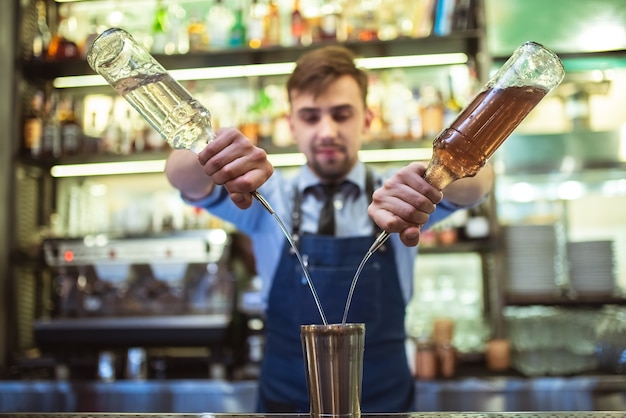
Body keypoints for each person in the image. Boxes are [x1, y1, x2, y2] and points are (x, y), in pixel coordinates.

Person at [165, 45, 494, 413]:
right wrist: (211, 153)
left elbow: (478, 185)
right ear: (291, 125)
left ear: (367, 119)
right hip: (286, 403)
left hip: (383, 403)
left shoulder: (400, 197)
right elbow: (183, 178)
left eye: (341, 115)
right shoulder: (264, 196)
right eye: (310, 116)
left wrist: (439, 174)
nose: (326, 131)